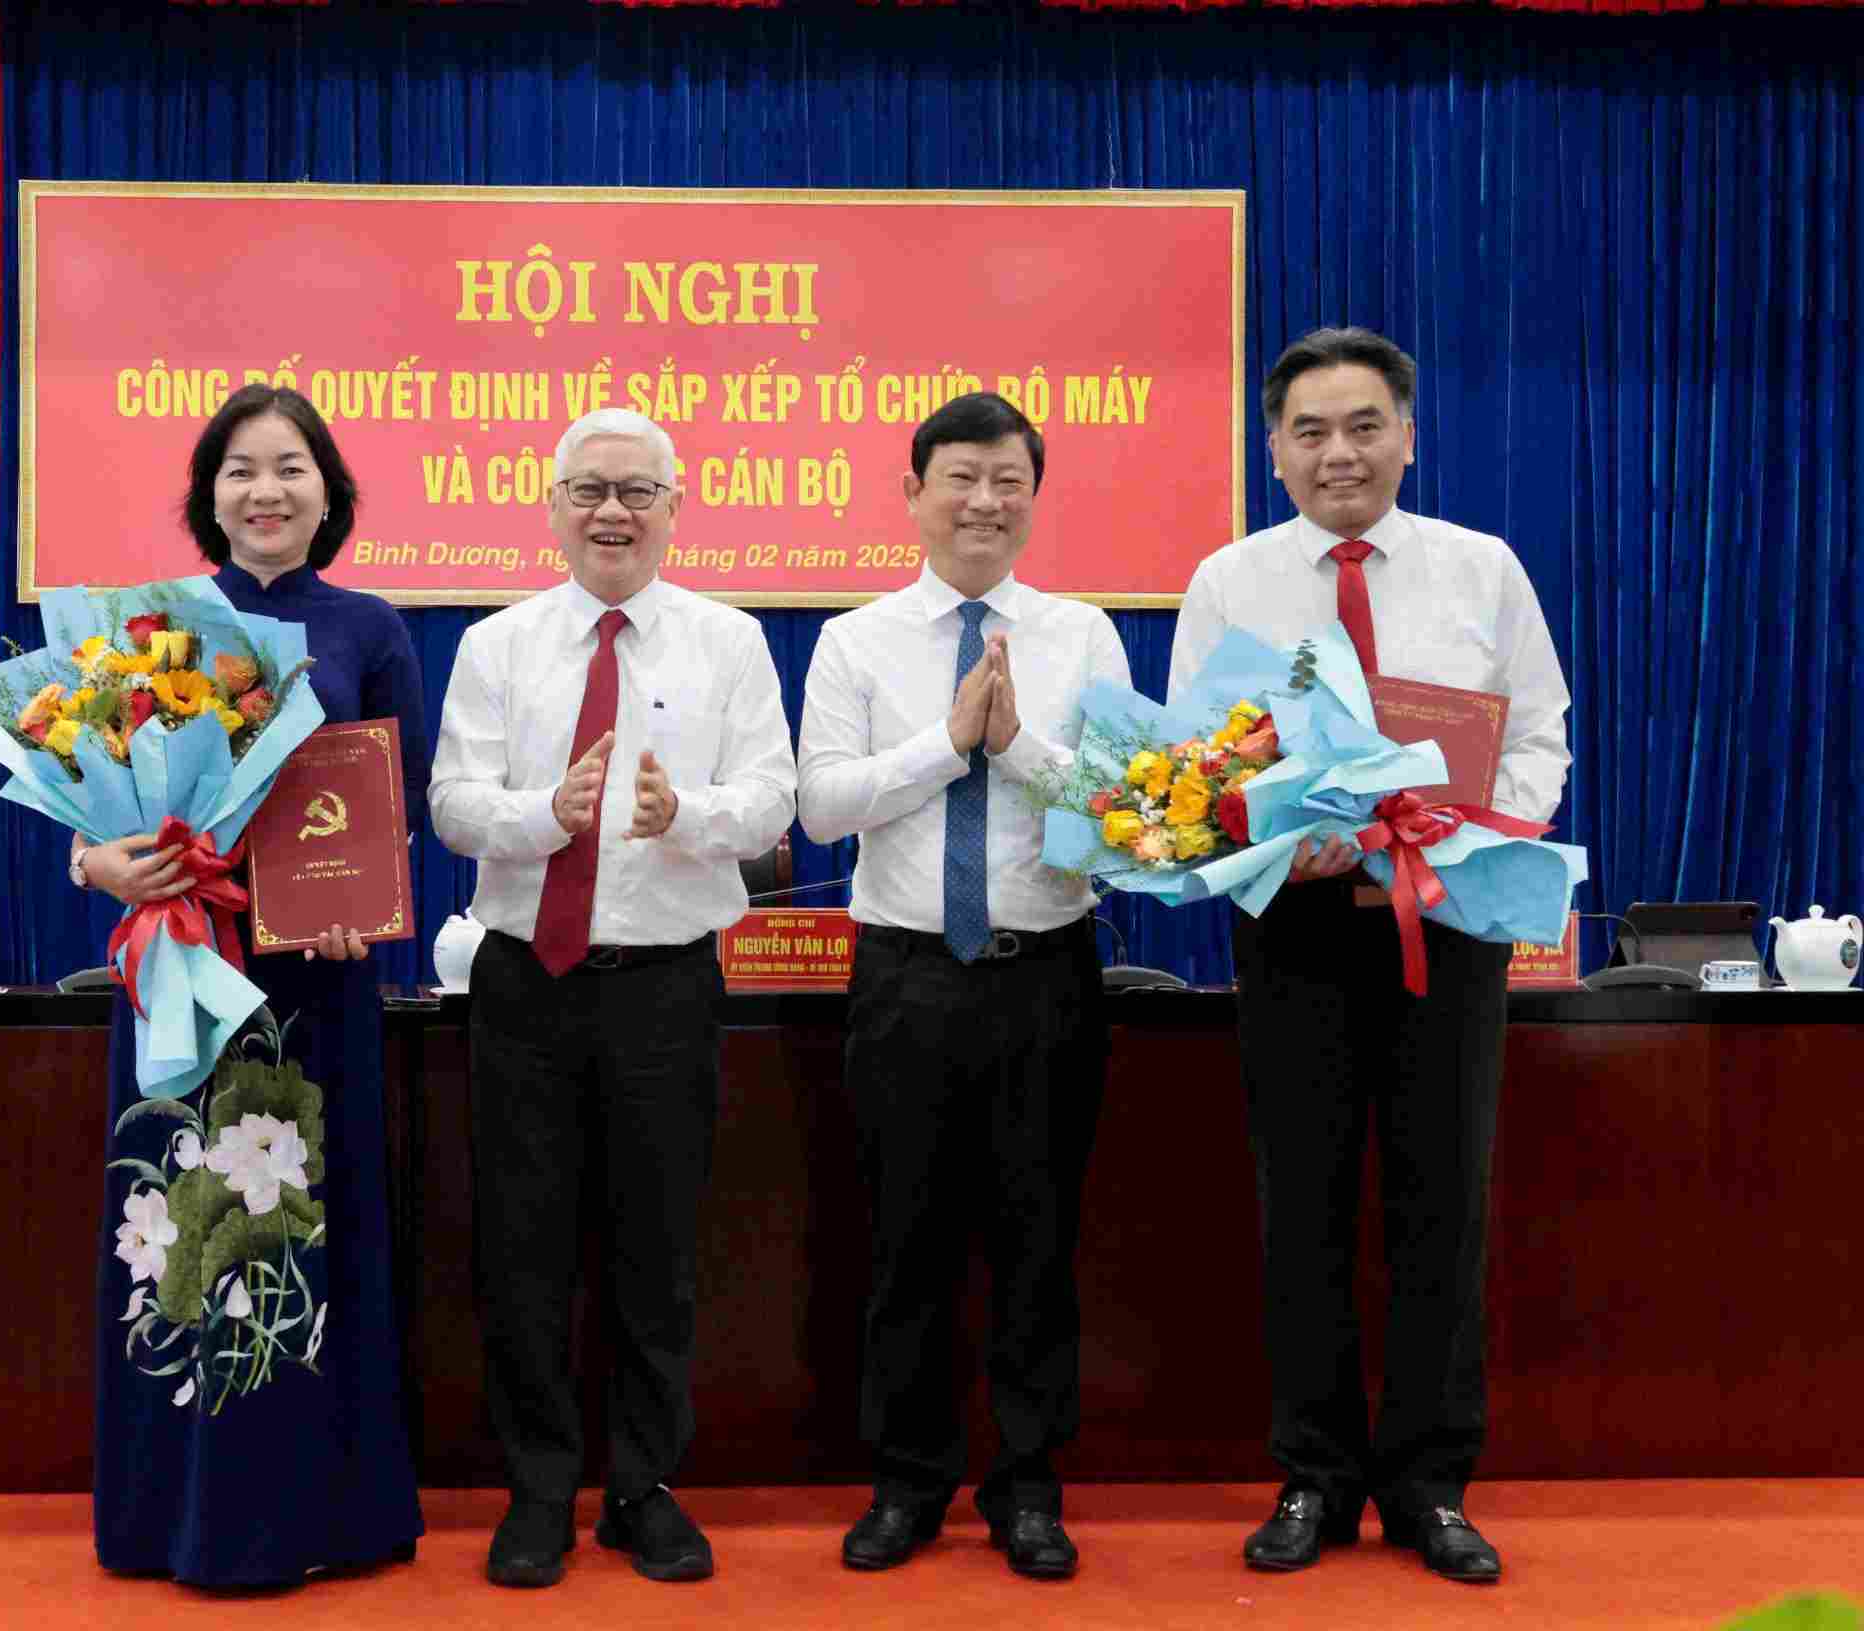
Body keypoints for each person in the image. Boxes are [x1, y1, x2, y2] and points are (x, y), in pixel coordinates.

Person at [1170, 327, 1571, 1585]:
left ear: (1407, 433)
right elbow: (1195, 765)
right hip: (1291, 927)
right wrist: (1266, 836)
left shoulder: (1481, 568)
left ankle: (1431, 1482)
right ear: (1273, 448)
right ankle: (1313, 1475)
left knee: (1440, 1202)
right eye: (1309, 430)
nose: (1336, 451)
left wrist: (1467, 832)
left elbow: (1540, 742)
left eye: (1361, 426)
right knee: (1302, 1207)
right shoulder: (1230, 580)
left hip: (1445, 921)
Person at [430, 408, 796, 1589]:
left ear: (676, 508)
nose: (612, 512)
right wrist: (551, 812)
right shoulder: (498, 644)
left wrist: (681, 815)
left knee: (656, 1250)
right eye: (589, 489)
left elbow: (775, 798)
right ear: (551, 507)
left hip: (664, 986)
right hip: (523, 985)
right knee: (523, 1249)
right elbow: (450, 802)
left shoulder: (729, 641)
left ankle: (641, 1487)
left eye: (638, 491)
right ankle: (538, 1489)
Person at [76, 383, 428, 1586]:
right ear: (206, 494)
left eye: (288, 467)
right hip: (180, 969)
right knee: (180, 1230)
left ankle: (318, 1514)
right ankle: (169, 1513)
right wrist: (95, 856)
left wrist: (360, 902)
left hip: (315, 989)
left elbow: (397, 810)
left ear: (327, 492)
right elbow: (92, 801)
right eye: (238, 468)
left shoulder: (372, 627)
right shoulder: (147, 628)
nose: (264, 489)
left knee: (299, 1235)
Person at [798, 392, 1128, 1580]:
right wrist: (946, 741)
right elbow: (822, 803)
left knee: (1039, 1242)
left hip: (1043, 973)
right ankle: (906, 1480)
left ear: (1033, 499)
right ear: (911, 491)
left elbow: (1124, 806)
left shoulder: (1082, 631)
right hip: (904, 977)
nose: (984, 501)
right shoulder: (856, 637)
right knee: (908, 1242)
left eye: (1007, 481)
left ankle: (1030, 1486)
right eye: (960, 478)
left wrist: (1018, 745)